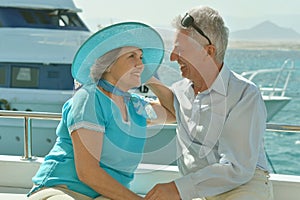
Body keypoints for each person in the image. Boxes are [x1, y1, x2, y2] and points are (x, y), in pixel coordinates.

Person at [27, 22, 174, 200]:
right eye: (132, 56)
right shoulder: (89, 98)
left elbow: (172, 113)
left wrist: (148, 76)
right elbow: (88, 173)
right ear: (109, 65)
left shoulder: (135, 106)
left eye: (142, 58)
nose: (140, 63)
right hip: (63, 190)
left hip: (106, 195)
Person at [145, 6, 274, 200]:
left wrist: (177, 189)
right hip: (198, 190)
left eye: (180, 50)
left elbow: (237, 168)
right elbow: (152, 112)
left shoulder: (245, 94)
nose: (172, 57)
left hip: (242, 187)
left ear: (209, 51)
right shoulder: (180, 92)